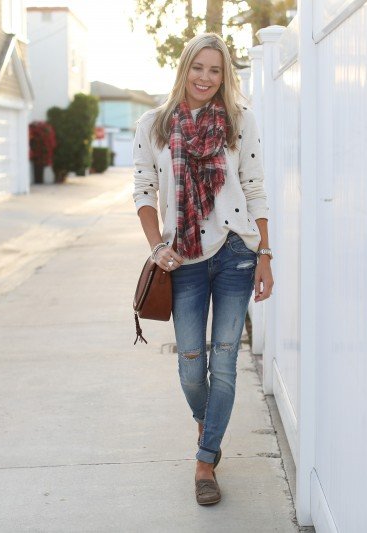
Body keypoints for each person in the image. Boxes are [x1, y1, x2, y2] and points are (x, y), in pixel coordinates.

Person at [132, 32, 274, 505]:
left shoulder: (239, 121)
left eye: (216, 70)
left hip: (235, 252)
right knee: (192, 366)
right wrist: (156, 248)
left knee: (226, 362)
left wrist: (266, 256)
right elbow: (143, 191)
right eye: (199, 68)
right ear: (184, 68)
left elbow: (254, 188)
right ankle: (208, 421)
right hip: (184, 258)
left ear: (225, 75)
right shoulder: (153, 124)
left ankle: (205, 461)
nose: (206, 78)